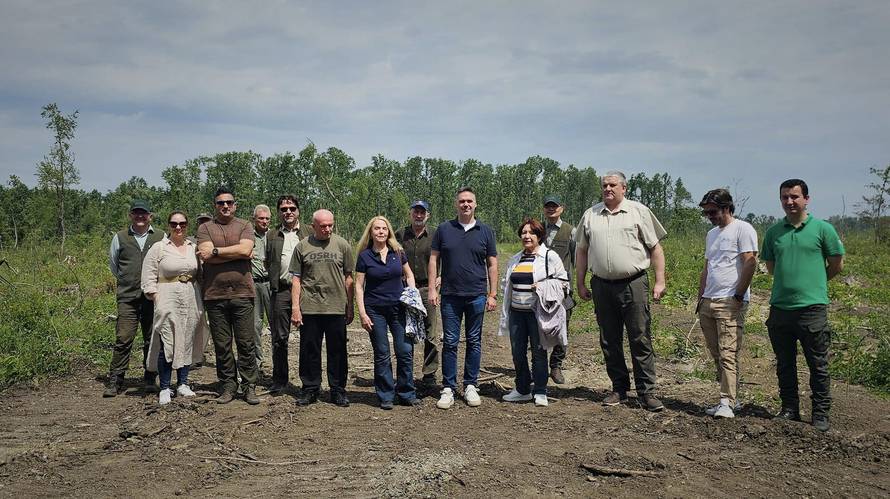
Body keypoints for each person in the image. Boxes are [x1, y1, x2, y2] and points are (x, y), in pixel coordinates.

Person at [575, 171, 667, 412]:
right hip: (602, 285)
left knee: (639, 337)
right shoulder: (591, 215)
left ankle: (646, 392)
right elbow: (582, 251)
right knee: (609, 339)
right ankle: (619, 388)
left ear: (624, 188)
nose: (607, 189)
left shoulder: (638, 212)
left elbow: (655, 248)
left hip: (633, 283)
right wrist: (581, 283)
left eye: (612, 185)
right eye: (604, 185)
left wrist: (659, 281)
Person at [762, 179, 844, 432]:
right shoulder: (774, 232)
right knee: (785, 363)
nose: (789, 202)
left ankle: (820, 413)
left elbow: (836, 264)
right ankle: (789, 408)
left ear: (806, 199)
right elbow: (772, 267)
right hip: (781, 309)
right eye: (785, 197)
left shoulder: (823, 229)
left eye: (795, 197)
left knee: (817, 364)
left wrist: (815, 284)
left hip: (812, 309)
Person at [429, 187, 498, 409]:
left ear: (475, 204)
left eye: (469, 201)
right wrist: (432, 289)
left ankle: (470, 385)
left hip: (477, 295)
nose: (466, 204)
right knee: (450, 342)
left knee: (474, 341)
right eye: (462, 201)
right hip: (450, 295)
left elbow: (492, 264)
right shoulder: (444, 229)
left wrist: (492, 293)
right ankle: (448, 387)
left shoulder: (485, 231)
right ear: (456, 204)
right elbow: (433, 260)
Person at [697, 189, 758, 419]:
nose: (709, 216)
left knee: (728, 352)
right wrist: (701, 296)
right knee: (716, 353)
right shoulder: (712, 234)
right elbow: (708, 267)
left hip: (730, 301)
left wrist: (738, 295)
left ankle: (727, 402)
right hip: (709, 301)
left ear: (727, 208)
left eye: (712, 211)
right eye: (706, 213)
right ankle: (731, 398)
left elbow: (750, 262)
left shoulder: (743, 229)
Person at [197, 186, 260, 405]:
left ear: (235, 205)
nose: (225, 206)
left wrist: (216, 251)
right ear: (214, 206)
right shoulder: (205, 228)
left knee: (246, 343)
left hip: (243, 293)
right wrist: (234, 253)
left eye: (229, 203)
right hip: (214, 295)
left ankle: (249, 385)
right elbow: (206, 255)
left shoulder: (245, 225)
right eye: (220, 203)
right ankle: (228, 385)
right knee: (222, 345)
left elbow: (245, 251)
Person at [498, 218, 568, 407]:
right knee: (517, 352)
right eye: (524, 232)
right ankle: (522, 389)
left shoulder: (549, 257)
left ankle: (540, 390)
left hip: (537, 313)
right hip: (516, 314)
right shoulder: (516, 258)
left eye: (531, 233)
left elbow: (564, 283)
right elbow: (507, 284)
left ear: (539, 236)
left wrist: (543, 286)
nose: (527, 236)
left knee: (538, 352)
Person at [290, 209, 355, 407]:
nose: (327, 229)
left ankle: (337, 390)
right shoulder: (302, 246)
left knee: (338, 351)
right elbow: (296, 279)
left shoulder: (342, 245)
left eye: (330, 225)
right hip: (310, 307)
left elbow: (349, 277)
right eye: (323, 226)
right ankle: (310, 389)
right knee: (309, 350)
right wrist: (295, 308)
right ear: (313, 226)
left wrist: (350, 306)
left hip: (336, 307)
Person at [355, 216, 420, 409]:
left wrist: (411, 294)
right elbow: (359, 286)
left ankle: (406, 393)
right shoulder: (365, 256)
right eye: (377, 229)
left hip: (398, 309)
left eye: (384, 228)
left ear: (389, 231)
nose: (381, 232)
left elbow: (409, 275)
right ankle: (385, 395)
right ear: (371, 232)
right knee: (382, 353)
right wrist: (362, 313)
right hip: (375, 311)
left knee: (405, 351)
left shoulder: (398, 253)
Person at [141, 211, 206, 405]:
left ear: (187, 225)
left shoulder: (193, 247)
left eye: (183, 224)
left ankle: (183, 383)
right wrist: (155, 297)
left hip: (190, 297)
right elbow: (148, 275)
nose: (178, 227)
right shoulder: (159, 248)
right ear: (169, 225)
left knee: (186, 339)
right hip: (167, 296)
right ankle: (165, 386)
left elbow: (201, 272)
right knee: (167, 341)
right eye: (174, 223)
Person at [104, 199, 165, 397]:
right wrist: (128, 281)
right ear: (131, 215)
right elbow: (114, 266)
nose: (140, 216)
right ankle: (116, 379)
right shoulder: (120, 237)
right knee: (123, 338)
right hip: (127, 298)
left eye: (144, 213)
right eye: (136, 213)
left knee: (152, 338)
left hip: (152, 297)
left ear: (150, 216)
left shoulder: (160, 236)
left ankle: (150, 378)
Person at [264, 194, 308, 393]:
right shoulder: (271, 235)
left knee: (308, 337)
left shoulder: (309, 232)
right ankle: (280, 381)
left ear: (298, 210)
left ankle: (308, 382)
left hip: (306, 292)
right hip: (281, 291)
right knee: (279, 339)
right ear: (279, 212)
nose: (288, 212)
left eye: (291, 208)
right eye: (283, 209)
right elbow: (267, 261)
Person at [395, 200, 439, 391]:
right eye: (415, 212)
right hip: (406, 291)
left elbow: (445, 258)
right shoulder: (399, 235)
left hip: (428, 289)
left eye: (422, 212)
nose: (419, 215)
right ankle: (406, 374)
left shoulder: (436, 236)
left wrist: (440, 278)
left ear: (428, 215)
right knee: (407, 332)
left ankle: (429, 374)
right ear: (410, 214)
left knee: (431, 334)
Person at [542, 195, 576, 384]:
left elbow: (577, 260)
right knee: (539, 326)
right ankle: (538, 365)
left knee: (563, 326)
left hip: (562, 288)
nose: (551, 209)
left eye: (554, 206)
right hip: (540, 288)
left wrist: (576, 285)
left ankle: (556, 366)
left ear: (562, 208)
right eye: (548, 206)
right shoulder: (538, 230)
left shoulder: (571, 231)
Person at [251, 204, 273, 372]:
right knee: (255, 325)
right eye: (261, 218)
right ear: (254, 219)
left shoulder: (274, 236)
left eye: (267, 218)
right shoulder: (247, 236)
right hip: (253, 284)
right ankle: (257, 361)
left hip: (272, 284)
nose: (264, 221)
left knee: (276, 324)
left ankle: (278, 362)